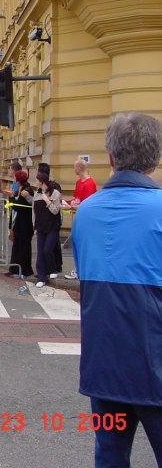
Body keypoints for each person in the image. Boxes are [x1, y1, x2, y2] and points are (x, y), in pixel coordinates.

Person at [72, 112, 162, 467]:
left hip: (103, 363)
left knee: (110, 455)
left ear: (111, 158)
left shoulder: (87, 211)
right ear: (155, 159)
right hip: (154, 361)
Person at [63, 159, 97, 280]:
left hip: (86, 220)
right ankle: (78, 270)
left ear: (79, 168)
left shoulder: (89, 184)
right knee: (76, 243)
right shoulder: (79, 182)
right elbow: (76, 198)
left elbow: (87, 204)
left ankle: (81, 270)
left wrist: (71, 206)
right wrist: (67, 203)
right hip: (78, 216)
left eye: (74, 167)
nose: (73, 170)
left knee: (83, 244)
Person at [32, 172, 61, 288]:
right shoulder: (36, 194)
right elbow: (34, 213)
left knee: (47, 250)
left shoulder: (55, 193)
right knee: (40, 253)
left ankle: (53, 268)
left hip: (52, 226)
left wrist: (47, 201)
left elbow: (55, 210)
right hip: (41, 226)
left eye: (37, 180)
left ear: (42, 182)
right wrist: (35, 226)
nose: (35, 182)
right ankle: (41, 277)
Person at [7, 170, 34, 277]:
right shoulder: (22, 189)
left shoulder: (26, 191)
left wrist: (11, 197)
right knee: (17, 245)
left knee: (23, 246)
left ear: (18, 181)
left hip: (25, 223)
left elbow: (18, 206)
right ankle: (14, 268)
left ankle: (24, 270)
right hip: (20, 222)